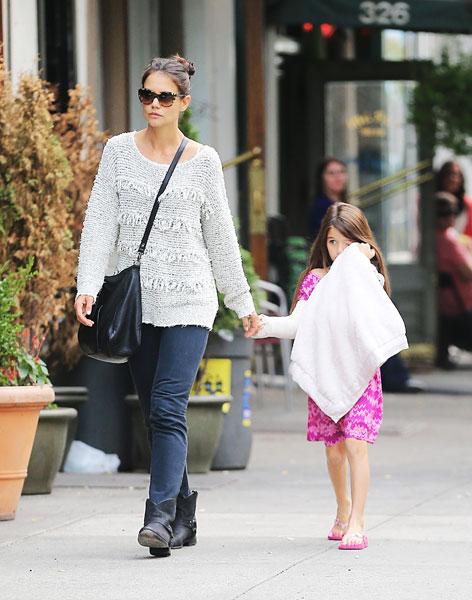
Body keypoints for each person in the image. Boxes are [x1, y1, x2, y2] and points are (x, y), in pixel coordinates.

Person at [74, 55, 259, 557]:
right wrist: (86, 284)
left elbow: (221, 238)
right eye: (146, 95)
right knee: (154, 413)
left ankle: (157, 518)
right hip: (137, 303)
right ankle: (185, 513)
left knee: (169, 405)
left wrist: (242, 302)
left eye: (164, 97)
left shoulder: (202, 161)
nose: (153, 105)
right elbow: (99, 223)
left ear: (183, 103)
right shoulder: (117, 152)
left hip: (190, 300)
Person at [252, 203, 396, 551]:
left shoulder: (367, 277)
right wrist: (263, 325)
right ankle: (342, 507)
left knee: (356, 444)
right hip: (326, 373)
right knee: (334, 452)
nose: (339, 251)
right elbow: (296, 324)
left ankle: (358, 523)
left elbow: (373, 309)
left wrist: (360, 260)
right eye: (333, 243)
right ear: (324, 242)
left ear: (362, 243)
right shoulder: (314, 281)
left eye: (348, 243)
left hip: (359, 375)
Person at [435, 192, 472, 368]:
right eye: (443, 213)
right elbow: (468, 272)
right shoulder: (448, 239)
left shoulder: (441, 236)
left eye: (452, 212)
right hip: (461, 304)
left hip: (448, 302)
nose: (449, 217)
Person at [309, 157, 348, 239]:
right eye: (331, 173)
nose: (338, 177)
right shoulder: (321, 206)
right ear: (321, 178)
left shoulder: (344, 204)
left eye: (341, 172)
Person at [437, 160, 472, 239]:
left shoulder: (468, 206)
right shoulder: (431, 202)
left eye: (456, 175)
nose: (452, 179)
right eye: (448, 174)